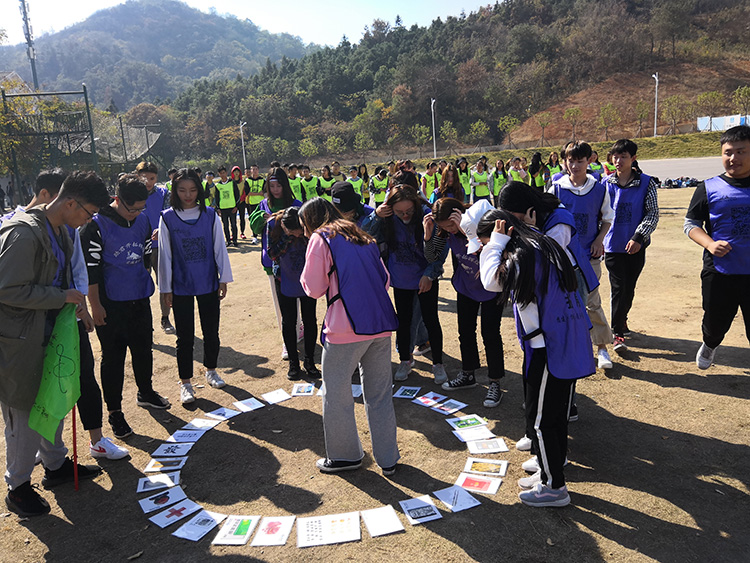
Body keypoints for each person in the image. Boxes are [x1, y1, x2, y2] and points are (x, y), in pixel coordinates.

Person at [1, 171, 110, 517]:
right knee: (24, 415)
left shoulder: (64, 231)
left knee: (52, 402)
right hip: (20, 343)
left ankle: (55, 465)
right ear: (71, 202)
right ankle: (17, 487)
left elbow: (63, 280)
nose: (88, 220)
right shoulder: (21, 232)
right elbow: (7, 289)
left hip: (51, 336)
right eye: (89, 213)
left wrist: (77, 306)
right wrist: (60, 296)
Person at [478, 210, 595, 507]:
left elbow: (491, 281)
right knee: (557, 415)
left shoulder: (524, 256)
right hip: (568, 339)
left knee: (544, 421)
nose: (487, 250)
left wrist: (495, 243)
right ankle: (547, 472)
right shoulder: (544, 243)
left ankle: (554, 487)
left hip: (549, 348)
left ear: (503, 234)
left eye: (487, 243)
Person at [299, 198, 400, 476]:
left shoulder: (321, 238)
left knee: (336, 394)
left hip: (344, 329)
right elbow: (385, 278)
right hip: (379, 323)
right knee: (379, 396)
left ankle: (345, 456)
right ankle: (388, 458)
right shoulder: (362, 235)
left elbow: (313, 288)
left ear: (310, 221)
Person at [81, 174, 171, 440]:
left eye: (142, 208)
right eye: (132, 208)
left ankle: (146, 391)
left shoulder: (142, 219)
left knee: (144, 349)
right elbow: (92, 273)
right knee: (113, 358)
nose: (137, 214)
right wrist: (95, 306)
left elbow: (144, 256)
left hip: (139, 299)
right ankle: (115, 412)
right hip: (111, 304)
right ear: (117, 200)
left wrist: (146, 284)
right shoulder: (95, 226)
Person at [158, 169, 233, 404]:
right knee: (185, 337)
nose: (187, 195)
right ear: (174, 191)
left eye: (192, 190)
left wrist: (223, 278)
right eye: (182, 190)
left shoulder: (210, 215)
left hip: (208, 282)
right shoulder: (167, 218)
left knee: (212, 331)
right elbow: (165, 255)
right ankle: (186, 383)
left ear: (199, 190)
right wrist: (166, 288)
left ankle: (211, 370)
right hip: (181, 286)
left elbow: (219, 247)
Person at [425, 198, 506, 407]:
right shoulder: (446, 232)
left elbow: (490, 253)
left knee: (490, 334)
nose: (450, 230)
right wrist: (428, 236)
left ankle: (495, 382)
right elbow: (432, 256)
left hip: (491, 289)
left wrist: (466, 230)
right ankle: (468, 373)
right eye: (445, 227)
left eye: (451, 225)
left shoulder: (483, 225)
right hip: (466, 287)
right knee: (465, 332)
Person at [365, 185, 448, 384]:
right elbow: (363, 234)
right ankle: (405, 359)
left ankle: (438, 363)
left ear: (416, 205)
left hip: (425, 279)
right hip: (400, 280)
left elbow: (439, 251)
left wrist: (430, 274)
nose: (404, 215)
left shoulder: (428, 217)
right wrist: (376, 215)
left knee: (430, 320)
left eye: (409, 211)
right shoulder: (386, 219)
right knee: (403, 321)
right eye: (399, 212)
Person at [684, 125, 750, 369]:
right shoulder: (708, 187)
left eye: (741, 152)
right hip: (720, 270)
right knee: (715, 322)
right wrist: (710, 244)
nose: (733, 158)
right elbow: (691, 224)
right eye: (728, 152)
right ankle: (710, 344)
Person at [549, 141, 615, 371]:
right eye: (570, 160)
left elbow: (607, 218)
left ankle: (602, 348)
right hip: (561, 257)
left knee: (592, 302)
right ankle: (573, 346)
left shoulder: (599, 189)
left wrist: (599, 240)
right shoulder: (556, 188)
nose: (574, 165)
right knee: (566, 303)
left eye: (580, 160)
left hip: (588, 255)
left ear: (590, 160)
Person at [603, 139, 660, 351]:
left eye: (623, 157)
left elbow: (652, 213)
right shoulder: (606, 184)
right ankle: (617, 333)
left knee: (629, 288)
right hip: (612, 245)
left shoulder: (647, 183)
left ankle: (622, 318)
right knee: (618, 288)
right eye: (615, 157)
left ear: (633, 159)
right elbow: (600, 214)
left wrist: (638, 237)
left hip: (636, 246)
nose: (618, 161)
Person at [249, 167, 303, 360]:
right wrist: (263, 218)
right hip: (273, 262)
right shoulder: (263, 205)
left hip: (296, 261)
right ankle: (287, 340)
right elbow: (253, 225)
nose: (275, 189)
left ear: (285, 185)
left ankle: (298, 329)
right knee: (280, 304)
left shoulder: (297, 204)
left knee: (299, 299)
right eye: (271, 186)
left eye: (279, 185)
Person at [267, 207, 319, 380]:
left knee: (310, 320)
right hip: (284, 279)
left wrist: (304, 235)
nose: (299, 235)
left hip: (307, 279)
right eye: (295, 233)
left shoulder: (308, 225)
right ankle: (294, 364)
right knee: (288, 322)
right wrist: (288, 237)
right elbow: (272, 254)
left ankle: (310, 361)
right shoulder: (273, 225)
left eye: (300, 232)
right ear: (284, 225)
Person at [135, 161, 174, 335]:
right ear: (138, 177)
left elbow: (169, 216)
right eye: (144, 177)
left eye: (152, 178)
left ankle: (165, 319)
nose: (148, 181)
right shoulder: (132, 194)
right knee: (139, 286)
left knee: (164, 284)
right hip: (137, 248)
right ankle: (143, 323)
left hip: (160, 247)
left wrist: (163, 230)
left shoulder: (164, 194)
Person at [214, 166, 240, 247]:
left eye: (224, 173)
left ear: (226, 173)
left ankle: (235, 240)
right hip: (223, 209)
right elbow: (217, 198)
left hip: (232, 207)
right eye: (221, 173)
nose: (223, 175)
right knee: (225, 226)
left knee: (233, 224)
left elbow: (237, 195)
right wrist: (218, 209)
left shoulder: (232, 182)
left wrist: (236, 206)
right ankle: (228, 241)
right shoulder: (218, 185)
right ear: (219, 174)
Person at [243, 165, 265, 244]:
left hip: (262, 203)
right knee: (253, 219)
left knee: (263, 219)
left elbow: (264, 192)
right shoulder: (247, 181)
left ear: (258, 170)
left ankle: (263, 235)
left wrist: (256, 194)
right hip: (252, 203)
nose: (254, 171)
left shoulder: (262, 180)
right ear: (250, 171)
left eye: (256, 169)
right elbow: (248, 193)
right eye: (253, 169)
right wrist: (258, 193)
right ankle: (254, 236)